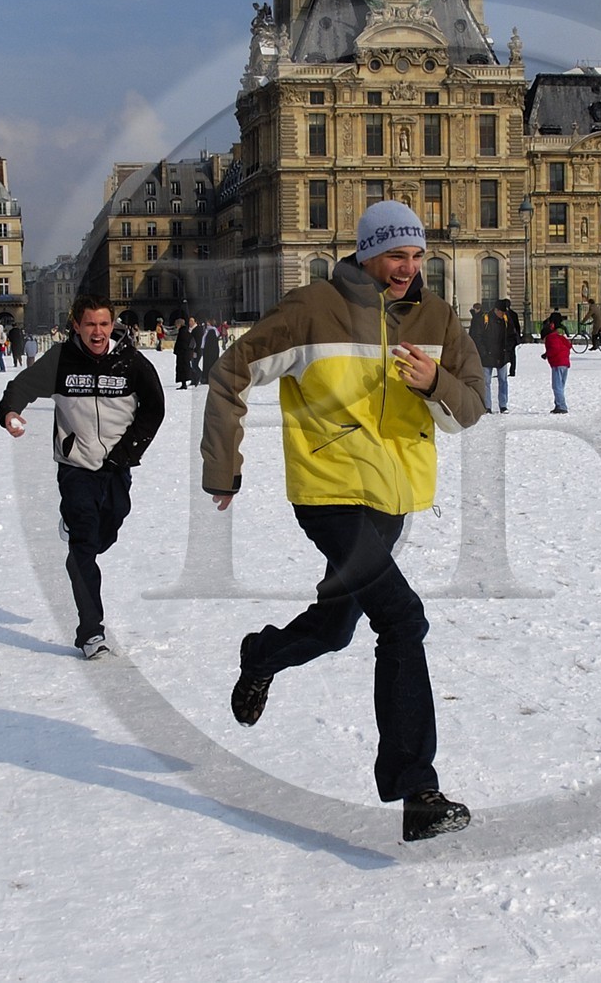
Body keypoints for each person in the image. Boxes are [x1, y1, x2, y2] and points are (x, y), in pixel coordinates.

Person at [201, 199, 485, 842]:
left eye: (416, 255)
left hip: (392, 500)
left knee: (334, 628)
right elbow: (231, 369)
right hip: (328, 494)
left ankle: (263, 654)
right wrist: (224, 466)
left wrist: (435, 379)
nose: (408, 268)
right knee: (402, 620)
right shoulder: (314, 309)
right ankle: (418, 790)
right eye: (395, 255)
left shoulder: (438, 317)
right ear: (365, 252)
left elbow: (471, 406)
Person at [0, 294, 165, 659]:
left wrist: (125, 454)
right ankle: (91, 631)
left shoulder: (131, 362)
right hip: (75, 467)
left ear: (113, 325)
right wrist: (10, 411)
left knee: (110, 526)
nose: (98, 332)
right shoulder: (61, 360)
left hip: (116, 468)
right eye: (90, 324)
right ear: (76, 325)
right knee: (83, 548)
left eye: (104, 324)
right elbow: (23, 386)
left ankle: (83, 537)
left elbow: (154, 409)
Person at [469, 301, 509, 412]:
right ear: (496, 310)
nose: (503, 314)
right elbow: (477, 337)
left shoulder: (505, 319)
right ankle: (487, 406)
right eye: (502, 312)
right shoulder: (484, 319)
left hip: (501, 354)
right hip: (487, 355)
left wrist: (508, 351)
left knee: (503, 380)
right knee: (486, 381)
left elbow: (511, 335)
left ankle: (503, 405)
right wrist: (483, 352)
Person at [542, 317, 571, 412]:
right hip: (565, 363)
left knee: (556, 386)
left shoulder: (550, 338)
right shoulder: (559, 336)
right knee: (560, 385)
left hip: (557, 363)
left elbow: (554, 349)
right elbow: (569, 345)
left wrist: (547, 354)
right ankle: (558, 404)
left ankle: (561, 406)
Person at [173, 319, 196, 389]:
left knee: (183, 369)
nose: (176, 326)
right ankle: (185, 382)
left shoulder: (182, 332)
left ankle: (186, 382)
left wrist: (178, 350)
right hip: (185, 353)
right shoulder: (185, 331)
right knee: (185, 368)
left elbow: (182, 343)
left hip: (182, 354)